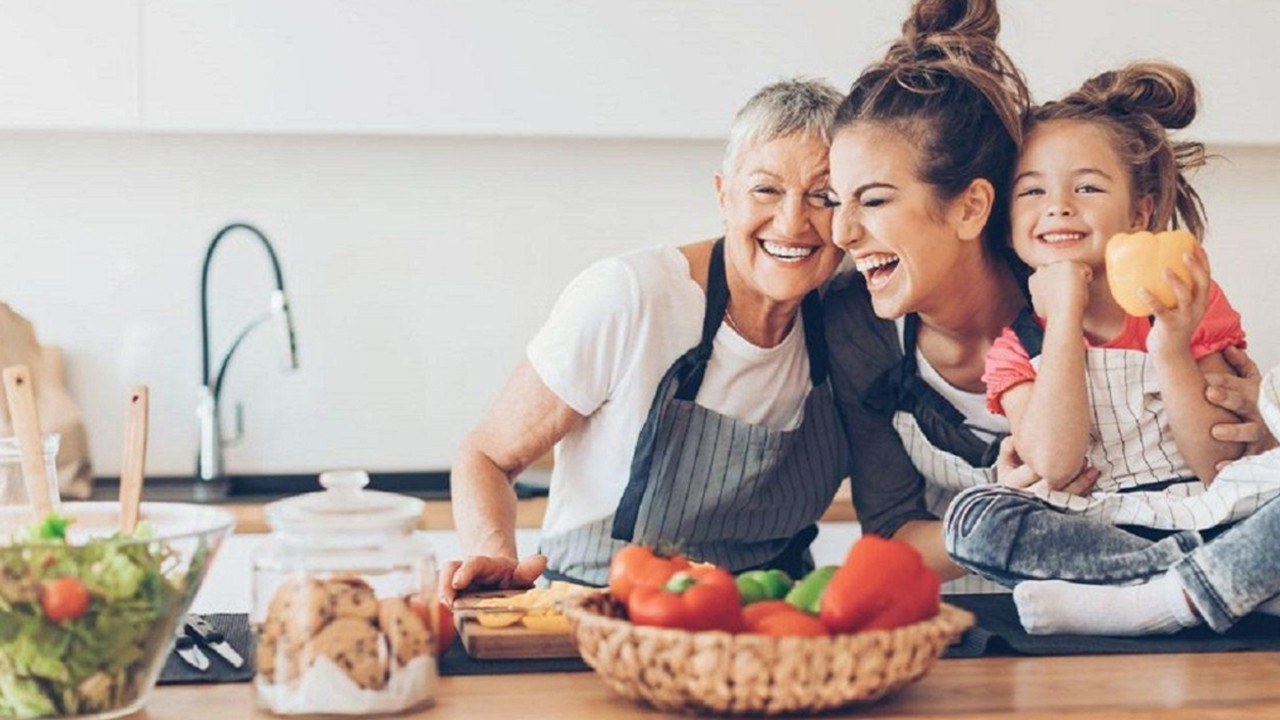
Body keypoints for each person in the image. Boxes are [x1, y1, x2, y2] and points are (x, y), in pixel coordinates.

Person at [821, 0, 1269, 595]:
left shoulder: (1082, 272)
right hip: (1001, 616)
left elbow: (1223, 453)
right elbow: (891, 538)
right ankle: (1175, 585)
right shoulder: (862, 329)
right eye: (836, 200)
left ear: (973, 207)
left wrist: (1259, 428)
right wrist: (1009, 499)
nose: (841, 232)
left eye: (873, 201)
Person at [442, 79, 849, 597]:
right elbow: (487, 456)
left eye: (825, 196)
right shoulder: (631, 297)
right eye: (766, 189)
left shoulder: (856, 317)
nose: (793, 222)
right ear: (724, 195)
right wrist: (496, 558)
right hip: (597, 612)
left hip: (771, 620)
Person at [943, 63, 1280, 636]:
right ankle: (1214, 584)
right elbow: (1056, 463)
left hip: (1206, 509)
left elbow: (1217, 465)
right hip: (1099, 529)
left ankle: (1162, 600)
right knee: (974, 519)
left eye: (1088, 187)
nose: (1059, 206)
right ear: (1006, 224)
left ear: (1141, 212)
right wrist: (1064, 316)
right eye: (1032, 190)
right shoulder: (1016, 346)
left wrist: (1171, 348)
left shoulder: (1186, 299)